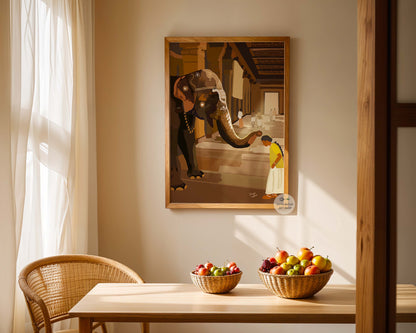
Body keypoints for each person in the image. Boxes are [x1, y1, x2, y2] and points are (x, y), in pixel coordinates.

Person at [261, 135, 284, 199]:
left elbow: (279, 156)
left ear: (266, 141)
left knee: (271, 179)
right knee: (276, 179)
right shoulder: (273, 146)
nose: (263, 144)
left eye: (263, 142)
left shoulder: (273, 146)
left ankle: (269, 194)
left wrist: (274, 163)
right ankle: (274, 193)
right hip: (278, 166)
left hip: (276, 166)